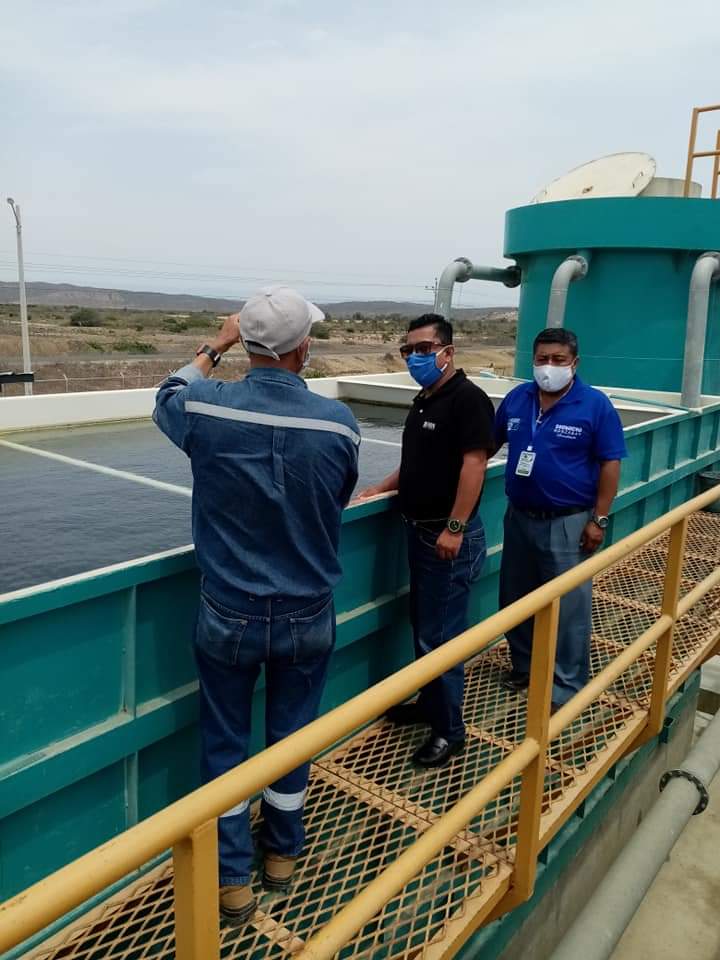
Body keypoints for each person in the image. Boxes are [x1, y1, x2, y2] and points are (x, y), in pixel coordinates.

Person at [154, 286, 359, 924]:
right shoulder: (339, 425)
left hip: (228, 611)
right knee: (291, 740)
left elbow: (165, 396)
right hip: (308, 611)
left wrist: (213, 347)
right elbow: (336, 497)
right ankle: (283, 857)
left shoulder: (207, 409)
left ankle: (232, 881)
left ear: (245, 342)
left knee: (225, 744)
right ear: (303, 348)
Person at [357, 314, 495, 768]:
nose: (414, 357)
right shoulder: (425, 399)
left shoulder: (468, 400)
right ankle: (430, 704)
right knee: (425, 627)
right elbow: (416, 462)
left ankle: (449, 731)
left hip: (445, 537)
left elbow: (474, 465)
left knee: (441, 636)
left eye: (423, 349)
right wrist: (381, 488)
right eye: (408, 350)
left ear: (447, 352)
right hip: (419, 533)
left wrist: (455, 527)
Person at [495, 327, 627, 710]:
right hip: (519, 517)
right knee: (515, 598)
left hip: (569, 522)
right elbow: (487, 443)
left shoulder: (595, 405)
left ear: (574, 362)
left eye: (558, 359)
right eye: (542, 359)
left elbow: (611, 463)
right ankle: (524, 665)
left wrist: (599, 519)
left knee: (570, 608)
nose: (548, 366)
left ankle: (567, 684)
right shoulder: (517, 398)